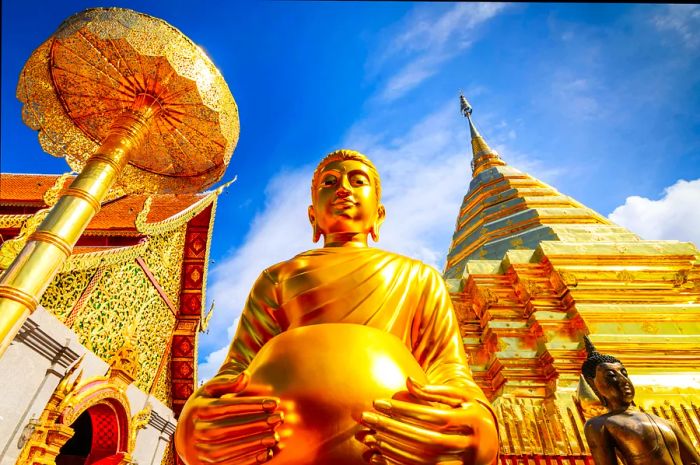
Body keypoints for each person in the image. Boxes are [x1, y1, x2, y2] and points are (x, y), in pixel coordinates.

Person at [175, 149, 499, 465]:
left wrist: (477, 427)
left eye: (358, 181)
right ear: (312, 215)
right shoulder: (278, 277)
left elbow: (449, 371)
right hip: (277, 451)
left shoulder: (417, 276)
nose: (343, 188)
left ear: (379, 214)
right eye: (329, 183)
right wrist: (194, 425)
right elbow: (235, 371)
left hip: (394, 452)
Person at [582, 336, 700, 465]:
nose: (623, 380)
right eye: (611, 376)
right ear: (593, 384)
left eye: (624, 373)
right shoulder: (600, 424)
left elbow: (693, 461)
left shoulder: (665, 423)